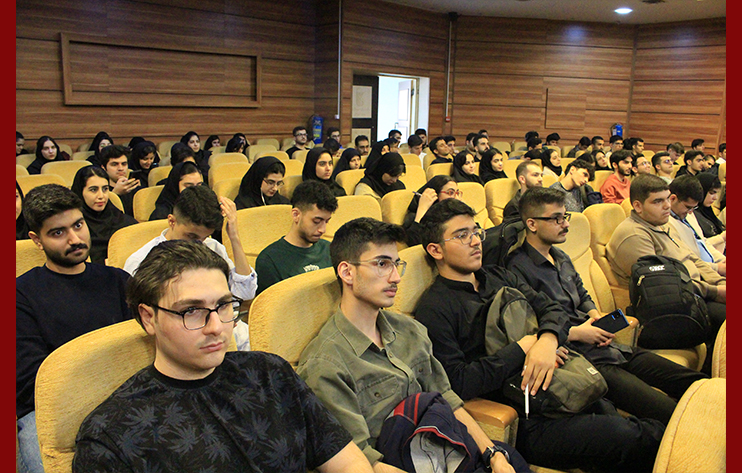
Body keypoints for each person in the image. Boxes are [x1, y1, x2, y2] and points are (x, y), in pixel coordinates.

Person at [73, 240, 373, 473]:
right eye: (192, 310)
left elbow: (346, 460)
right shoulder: (111, 433)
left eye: (224, 305)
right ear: (149, 317)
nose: (217, 327)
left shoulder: (270, 373)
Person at [414, 199, 665, 472]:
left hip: (563, 384)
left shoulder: (497, 276)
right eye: (462, 235)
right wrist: (523, 348)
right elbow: (457, 382)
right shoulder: (435, 308)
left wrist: (546, 340)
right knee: (642, 437)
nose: (475, 241)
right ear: (435, 250)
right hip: (524, 415)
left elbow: (552, 309)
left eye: (476, 231)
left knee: (640, 427)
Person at [297, 218, 528, 473]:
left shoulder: (410, 330)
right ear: (347, 272)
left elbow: (447, 398)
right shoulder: (326, 364)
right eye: (382, 264)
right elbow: (360, 460)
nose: (396, 277)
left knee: (511, 460)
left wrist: (493, 455)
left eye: (396, 264)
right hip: (401, 464)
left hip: (446, 448)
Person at [507, 187, 707, 426]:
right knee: (669, 411)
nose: (566, 224)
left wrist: (595, 315)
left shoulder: (560, 256)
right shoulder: (515, 267)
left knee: (694, 381)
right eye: (557, 219)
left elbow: (581, 293)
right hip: (579, 358)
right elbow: (527, 326)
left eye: (565, 216)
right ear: (532, 224)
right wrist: (579, 332)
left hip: (608, 346)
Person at [17, 184, 132, 473]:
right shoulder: (20, 295)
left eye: (78, 225)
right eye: (58, 233)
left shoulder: (118, 280)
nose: (75, 239)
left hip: (124, 397)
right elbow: (32, 380)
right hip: (52, 409)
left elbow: (141, 350)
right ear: (37, 240)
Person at [606, 174, 726, 374]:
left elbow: (692, 259)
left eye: (667, 199)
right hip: (670, 307)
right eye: (657, 201)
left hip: (693, 294)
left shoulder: (664, 224)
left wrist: (721, 282)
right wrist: (715, 292)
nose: (667, 206)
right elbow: (662, 288)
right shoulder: (634, 235)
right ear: (638, 206)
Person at [125, 184, 256, 347]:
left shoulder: (212, 247)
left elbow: (246, 292)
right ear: (172, 221)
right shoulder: (141, 261)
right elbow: (141, 320)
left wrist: (234, 236)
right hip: (181, 337)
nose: (197, 244)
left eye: (204, 238)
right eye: (191, 236)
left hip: (225, 327)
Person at [255, 180, 338, 294]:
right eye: (316, 221)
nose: (322, 229)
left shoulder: (330, 249)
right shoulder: (269, 260)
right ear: (296, 215)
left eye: (326, 221)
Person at [70, 166, 137, 264]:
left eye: (105, 189)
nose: (101, 196)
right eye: (93, 190)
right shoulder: (74, 229)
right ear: (80, 192)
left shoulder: (122, 220)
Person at [667, 176, 725, 274]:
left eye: (694, 208)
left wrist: (723, 260)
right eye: (688, 207)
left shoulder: (688, 214)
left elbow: (703, 242)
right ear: (672, 199)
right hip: (699, 273)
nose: (690, 212)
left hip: (712, 267)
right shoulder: (665, 223)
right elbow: (685, 260)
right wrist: (717, 268)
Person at [402, 175, 462, 247]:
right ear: (435, 195)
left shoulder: (451, 213)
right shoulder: (415, 216)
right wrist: (422, 209)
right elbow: (415, 244)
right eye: (450, 192)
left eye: (457, 193)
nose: (456, 198)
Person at [99, 144, 141, 216]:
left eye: (124, 164)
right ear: (103, 168)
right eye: (114, 164)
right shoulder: (100, 191)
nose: (121, 168)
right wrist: (115, 194)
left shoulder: (135, 189)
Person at [693, 172, 726, 248]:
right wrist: (722, 238)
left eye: (716, 193)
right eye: (711, 193)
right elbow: (698, 245)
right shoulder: (691, 215)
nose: (715, 198)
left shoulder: (708, 212)